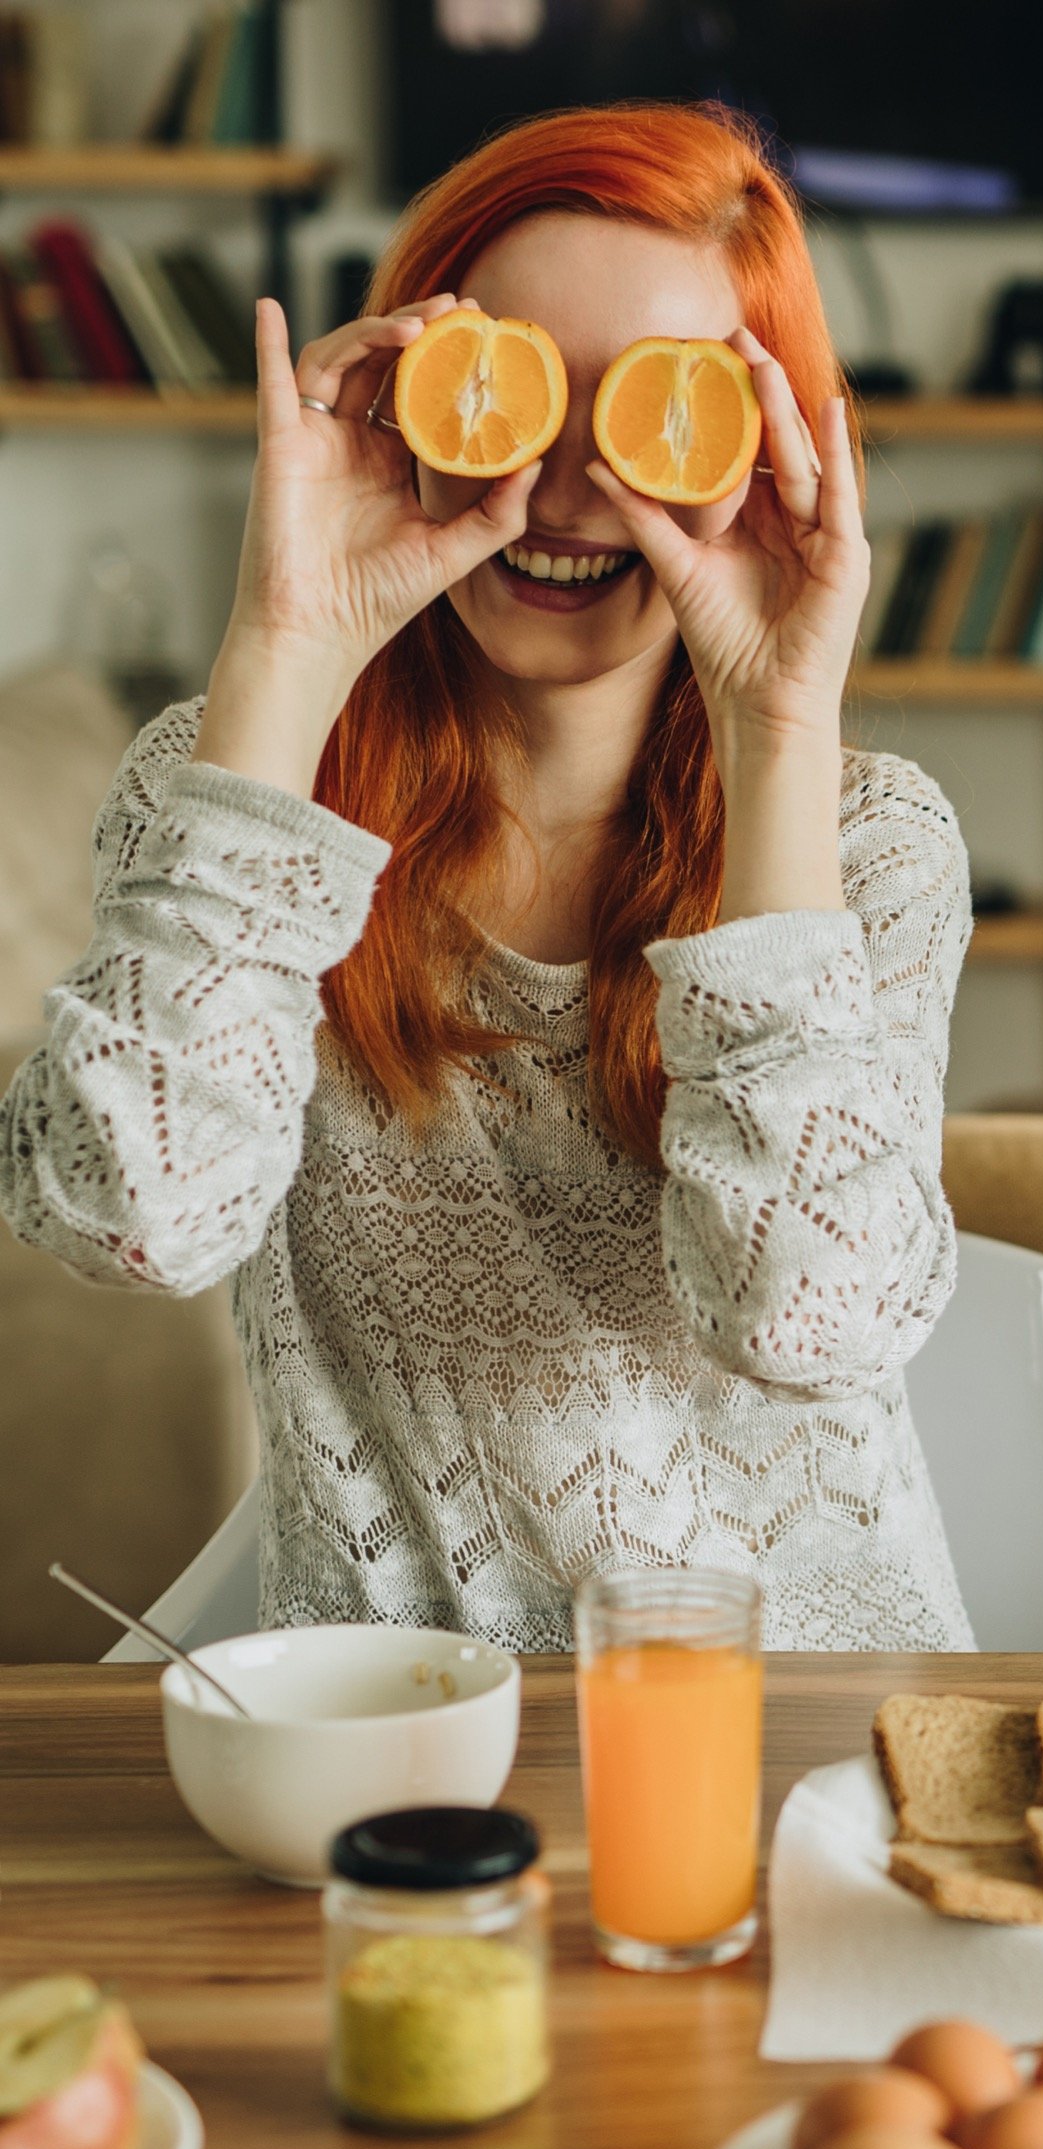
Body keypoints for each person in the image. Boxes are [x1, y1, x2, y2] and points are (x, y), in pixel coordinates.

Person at [0, 101, 976, 1651]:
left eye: (662, 414)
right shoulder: (232, 782)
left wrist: (777, 729)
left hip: (793, 1727)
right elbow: (129, 1217)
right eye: (511, 394)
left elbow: (812, 1321)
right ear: (404, 395)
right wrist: (285, 649)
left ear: (775, 447)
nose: (578, 487)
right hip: (390, 1725)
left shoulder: (872, 840)